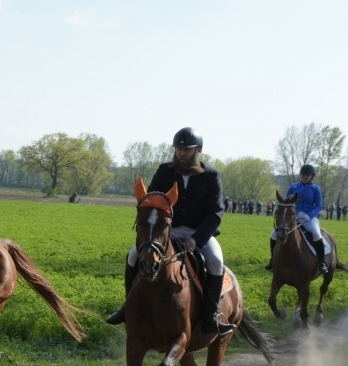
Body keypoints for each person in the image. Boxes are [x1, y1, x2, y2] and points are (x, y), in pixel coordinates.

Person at [105, 127, 234, 335]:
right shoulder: (165, 170)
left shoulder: (211, 175)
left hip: (198, 234)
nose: (181, 153)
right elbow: (151, 201)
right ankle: (127, 306)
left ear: (198, 150)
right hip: (167, 233)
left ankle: (211, 315)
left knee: (216, 262)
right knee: (133, 255)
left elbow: (216, 213)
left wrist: (197, 240)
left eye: (186, 149)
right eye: (178, 149)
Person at [265, 164, 328, 275]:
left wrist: (309, 215)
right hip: (292, 216)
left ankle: (321, 262)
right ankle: (272, 260)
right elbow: (286, 201)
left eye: (307, 175)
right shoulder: (294, 187)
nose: (305, 176)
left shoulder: (315, 189)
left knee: (316, 234)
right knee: (273, 235)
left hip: (309, 218)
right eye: (303, 174)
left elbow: (318, 206)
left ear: (312, 176)